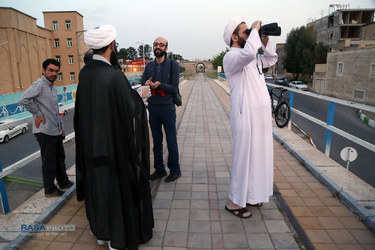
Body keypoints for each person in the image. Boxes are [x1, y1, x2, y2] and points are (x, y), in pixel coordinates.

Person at [74, 24, 153, 249]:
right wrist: (139, 96)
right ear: (111, 45)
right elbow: (128, 108)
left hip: (92, 145)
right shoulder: (112, 74)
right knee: (116, 189)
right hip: (111, 145)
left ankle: (102, 232)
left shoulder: (85, 72)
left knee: (99, 188)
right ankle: (117, 239)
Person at [222, 17, 278, 218]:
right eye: (246, 32)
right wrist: (255, 30)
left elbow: (271, 59)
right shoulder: (231, 57)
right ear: (235, 37)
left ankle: (252, 196)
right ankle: (233, 202)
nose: (250, 34)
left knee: (257, 157)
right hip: (245, 115)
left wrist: (264, 39)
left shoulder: (253, 58)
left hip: (260, 116)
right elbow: (247, 54)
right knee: (243, 157)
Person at [19, 59, 73, 197]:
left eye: (56, 71)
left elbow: (55, 110)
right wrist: (37, 114)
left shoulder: (52, 86)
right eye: (51, 70)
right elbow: (24, 99)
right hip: (44, 130)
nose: (54, 73)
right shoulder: (39, 85)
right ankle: (49, 189)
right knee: (49, 161)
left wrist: (61, 127)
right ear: (43, 70)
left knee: (60, 157)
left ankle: (64, 182)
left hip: (55, 130)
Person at [141, 36, 181, 183]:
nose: (158, 47)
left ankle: (175, 170)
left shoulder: (173, 65)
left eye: (161, 45)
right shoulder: (149, 66)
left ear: (166, 48)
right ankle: (159, 169)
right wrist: (146, 84)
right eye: (155, 44)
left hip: (168, 108)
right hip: (153, 108)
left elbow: (175, 87)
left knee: (171, 140)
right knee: (157, 141)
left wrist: (160, 85)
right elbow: (142, 84)